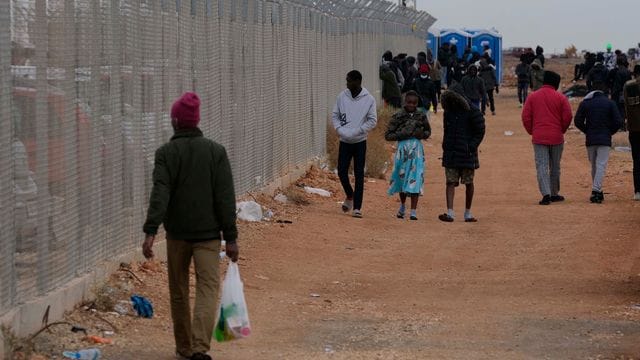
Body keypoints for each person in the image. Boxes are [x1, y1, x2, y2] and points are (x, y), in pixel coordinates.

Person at [142, 92, 239, 360]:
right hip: (208, 236)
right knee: (208, 289)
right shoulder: (216, 152)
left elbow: (160, 193)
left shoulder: (165, 154)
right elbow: (225, 197)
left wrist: (151, 231)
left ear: (175, 121)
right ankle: (200, 348)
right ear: (196, 121)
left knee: (179, 291)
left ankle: (184, 348)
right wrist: (230, 238)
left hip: (177, 236)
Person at [522, 71, 573, 205]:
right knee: (555, 166)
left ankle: (546, 194)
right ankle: (554, 193)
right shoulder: (561, 98)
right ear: (556, 83)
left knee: (542, 166)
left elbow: (526, 117)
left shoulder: (533, 97)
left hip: (539, 137)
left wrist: (532, 131)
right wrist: (561, 129)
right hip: (557, 137)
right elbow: (568, 116)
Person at [332, 70, 377, 218]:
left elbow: (372, 120)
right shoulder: (341, 97)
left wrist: (358, 131)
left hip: (359, 142)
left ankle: (357, 207)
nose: (347, 83)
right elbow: (335, 115)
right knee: (341, 172)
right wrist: (339, 129)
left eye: (349, 80)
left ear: (358, 81)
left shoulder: (369, 99)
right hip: (344, 141)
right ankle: (349, 195)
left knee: (359, 174)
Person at [438, 84, 486, 222]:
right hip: (451, 153)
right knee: (450, 182)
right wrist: (445, 145)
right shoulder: (448, 112)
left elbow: (480, 130)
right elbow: (446, 130)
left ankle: (468, 213)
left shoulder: (473, 111)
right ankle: (450, 213)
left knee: (468, 182)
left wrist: (471, 146)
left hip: (467, 154)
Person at [574, 80, 623, 203]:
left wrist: (587, 131)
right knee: (601, 165)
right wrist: (609, 132)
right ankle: (596, 191)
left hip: (590, 139)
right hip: (604, 139)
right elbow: (618, 121)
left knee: (594, 165)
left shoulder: (585, 103)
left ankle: (597, 190)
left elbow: (577, 121)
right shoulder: (610, 103)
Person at [385, 90, 431, 220]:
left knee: (415, 178)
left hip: (416, 151)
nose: (411, 105)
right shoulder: (398, 116)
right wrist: (403, 134)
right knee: (402, 178)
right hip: (402, 151)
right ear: (405, 102)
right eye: (409, 102)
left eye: (414, 103)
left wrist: (420, 134)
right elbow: (388, 135)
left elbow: (428, 131)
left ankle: (413, 211)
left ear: (417, 104)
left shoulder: (421, 116)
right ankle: (403, 206)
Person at [624, 64, 640, 200]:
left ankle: (637, 192)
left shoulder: (628, 86)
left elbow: (626, 106)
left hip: (634, 128)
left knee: (636, 160)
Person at [609, 56, 632, 128]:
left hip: (619, 93)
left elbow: (617, 85)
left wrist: (613, 93)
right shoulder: (627, 71)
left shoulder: (618, 72)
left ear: (617, 63)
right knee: (625, 109)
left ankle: (621, 125)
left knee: (619, 109)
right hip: (627, 92)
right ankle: (625, 125)